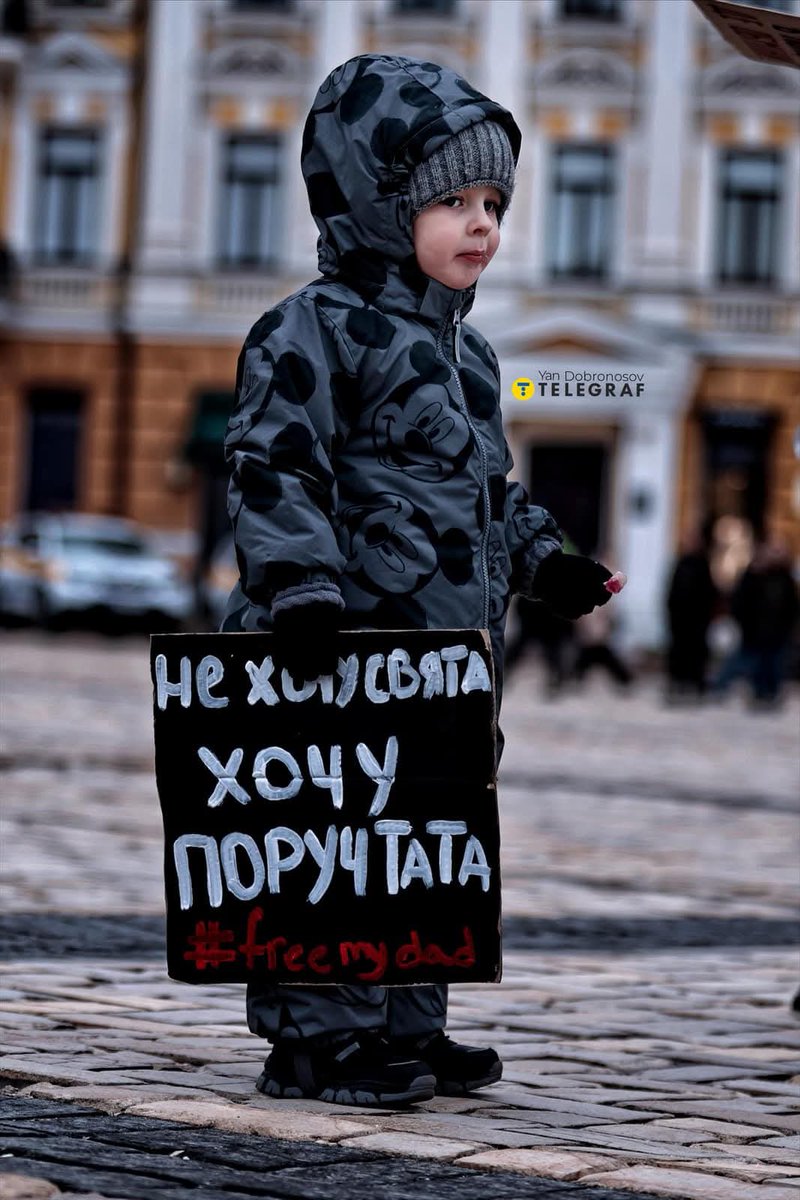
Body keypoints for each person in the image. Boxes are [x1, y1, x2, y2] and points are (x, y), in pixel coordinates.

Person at [223, 54, 619, 1109]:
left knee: (428, 837)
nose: (481, 222)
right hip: (338, 643)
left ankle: (408, 1018)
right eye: (450, 199)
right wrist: (301, 586)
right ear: (375, 203)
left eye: (491, 200)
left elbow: (493, 489)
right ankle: (318, 1037)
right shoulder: (310, 328)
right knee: (337, 837)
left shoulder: (474, 356)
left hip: (446, 659)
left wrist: (549, 562)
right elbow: (272, 464)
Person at [713, 539, 798, 708]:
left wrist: (788, 627)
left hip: (776, 632)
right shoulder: (753, 576)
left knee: (773, 665)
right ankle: (744, 690)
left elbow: (791, 606)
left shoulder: (784, 577)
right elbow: (741, 602)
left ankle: (769, 694)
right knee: (747, 663)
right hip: (754, 631)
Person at [665, 530, 718, 702]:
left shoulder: (703, 565)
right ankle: (677, 684)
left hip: (697, 621)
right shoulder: (680, 563)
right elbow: (672, 592)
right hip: (680, 620)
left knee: (696, 655)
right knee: (678, 653)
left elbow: (709, 594)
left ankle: (695, 686)